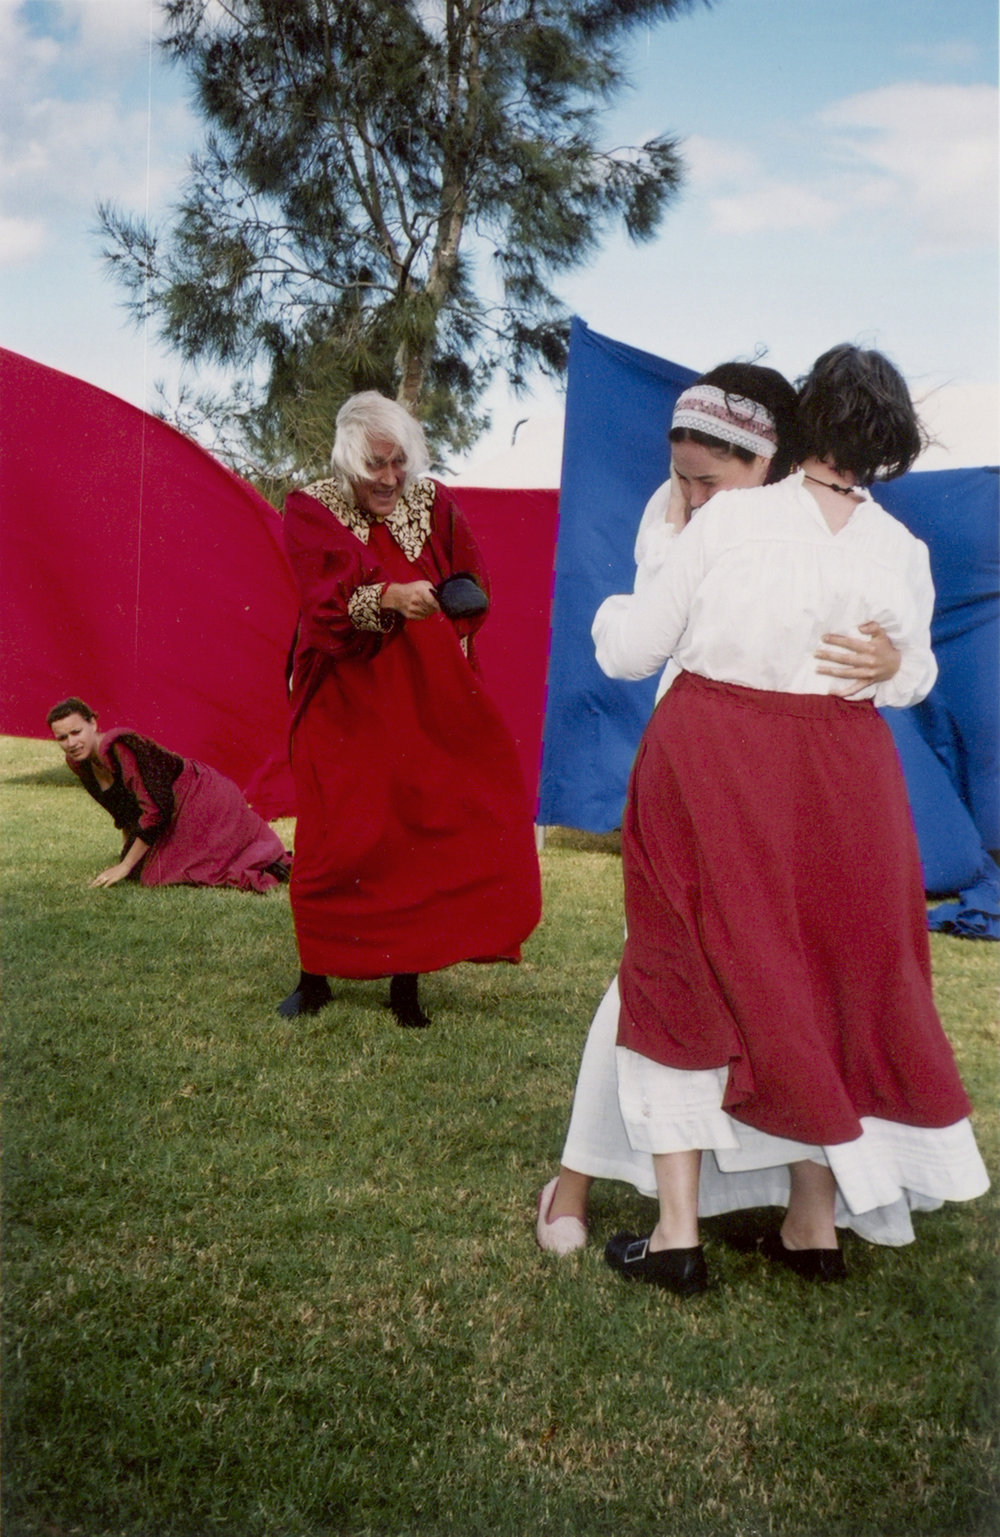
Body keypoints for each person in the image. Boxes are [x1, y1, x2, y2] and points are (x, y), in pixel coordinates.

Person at [581, 345, 988, 1295]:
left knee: (680, 966)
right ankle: (813, 1225)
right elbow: (914, 675)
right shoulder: (902, 550)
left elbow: (633, 652)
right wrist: (891, 668)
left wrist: (620, 596)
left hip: (716, 762)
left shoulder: (730, 523)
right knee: (827, 975)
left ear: (805, 420)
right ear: (894, 442)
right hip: (843, 778)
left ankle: (677, 1234)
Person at [537, 361, 906, 1256]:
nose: (693, 495)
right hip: (727, 768)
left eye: (713, 478)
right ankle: (603, 1188)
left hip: (738, 778)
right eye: (681, 476)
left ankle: (618, 1201)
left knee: (679, 987)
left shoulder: (767, 529)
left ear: (771, 465)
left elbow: (632, 641)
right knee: (682, 982)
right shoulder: (705, 518)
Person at [278, 391, 541, 1028]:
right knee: (333, 833)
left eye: (401, 462)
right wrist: (389, 598)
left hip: (424, 693)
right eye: (377, 465)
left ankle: (406, 984)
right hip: (342, 694)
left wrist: (454, 598)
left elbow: (471, 582)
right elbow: (325, 610)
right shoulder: (311, 507)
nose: (392, 478)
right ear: (347, 460)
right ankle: (315, 976)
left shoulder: (434, 501)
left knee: (415, 830)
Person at [48, 698, 291, 891]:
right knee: (143, 871)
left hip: (200, 796)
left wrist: (124, 866)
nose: (71, 743)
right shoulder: (79, 764)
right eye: (62, 737)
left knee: (162, 875)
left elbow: (156, 811)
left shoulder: (121, 747)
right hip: (173, 805)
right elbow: (122, 811)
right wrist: (127, 857)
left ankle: (272, 865)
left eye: (76, 732)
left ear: (93, 723)